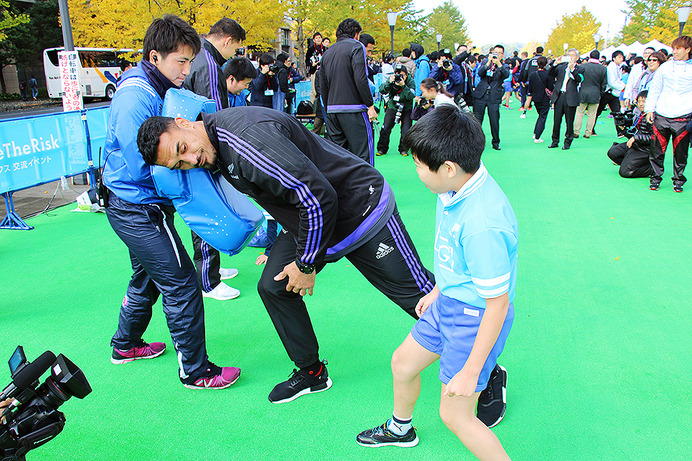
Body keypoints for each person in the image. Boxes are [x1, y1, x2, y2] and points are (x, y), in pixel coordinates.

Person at [136, 106, 435, 406]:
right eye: (179, 164)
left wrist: (305, 263)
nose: (190, 160)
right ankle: (313, 372)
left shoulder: (245, 139)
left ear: (183, 123)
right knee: (274, 285)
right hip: (311, 220)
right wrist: (278, 249)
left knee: (420, 299)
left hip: (360, 210)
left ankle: (481, 367)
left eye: (183, 148)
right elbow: (282, 191)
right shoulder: (213, 147)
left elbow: (317, 196)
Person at [356, 106, 516, 460]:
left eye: (418, 166)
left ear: (447, 168)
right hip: (449, 303)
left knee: (455, 415)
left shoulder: (483, 224)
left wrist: (472, 371)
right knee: (403, 363)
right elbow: (458, 260)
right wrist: (439, 289)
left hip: (473, 318)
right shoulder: (454, 187)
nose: (416, 172)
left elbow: (498, 305)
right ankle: (400, 429)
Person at [102, 15, 240, 389]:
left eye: (189, 61)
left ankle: (125, 344)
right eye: (180, 61)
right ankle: (196, 371)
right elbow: (142, 166)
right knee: (181, 281)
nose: (186, 70)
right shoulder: (136, 96)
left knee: (147, 276)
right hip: (136, 207)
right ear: (154, 57)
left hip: (135, 203)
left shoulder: (152, 86)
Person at [183, 17, 246, 301]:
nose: (234, 55)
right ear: (227, 40)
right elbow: (215, 119)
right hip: (202, 150)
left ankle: (212, 271)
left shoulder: (199, 58)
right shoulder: (208, 64)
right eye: (236, 48)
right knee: (209, 209)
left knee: (210, 208)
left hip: (193, 147)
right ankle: (208, 279)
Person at [319, 18, 378, 164]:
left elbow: (322, 85)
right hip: (354, 109)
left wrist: (328, 108)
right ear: (356, 34)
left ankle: (340, 186)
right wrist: (370, 105)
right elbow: (360, 78)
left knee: (338, 156)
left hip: (332, 110)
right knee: (363, 154)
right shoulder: (357, 46)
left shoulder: (327, 52)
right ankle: (368, 186)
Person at [644, 35, 692, 192]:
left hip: (683, 116)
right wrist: (650, 109)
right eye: (674, 48)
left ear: (688, 50)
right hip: (662, 114)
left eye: (678, 48)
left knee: (680, 153)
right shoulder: (665, 67)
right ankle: (655, 179)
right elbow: (655, 88)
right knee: (656, 150)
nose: (675, 51)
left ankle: (678, 181)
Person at [607, 91, 654, 178]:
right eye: (639, 101)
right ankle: (629, 162)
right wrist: (623, 129)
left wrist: (636, 138)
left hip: (644, 150)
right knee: (612, 152)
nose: (641, 104)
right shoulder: (640, 114)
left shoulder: (653, 117)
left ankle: (651, 168)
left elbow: (655, 138)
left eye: (644, 102)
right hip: (635, 145)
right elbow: (634, 134)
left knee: (625, 172)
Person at [472, 45, 509, 150]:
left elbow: (506, 75)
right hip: (481, 94)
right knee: (477, 120)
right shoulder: (485, 62)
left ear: (502, 55)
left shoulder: (504, 66)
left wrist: (498, 64)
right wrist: (488, 63)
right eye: (494, 52)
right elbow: (480, 73)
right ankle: (475, 143)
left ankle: (496, 142)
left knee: (494, 120)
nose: (496, 55)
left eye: (499, 53)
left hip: (494, 96)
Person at [376, 64, 415, 157]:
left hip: (406, 107)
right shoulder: (391, 79)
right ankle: (382, 149)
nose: (399, 77)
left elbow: (411, 96)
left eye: (401, 75)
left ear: (406, 74)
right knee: (385, 128)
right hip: (393, 106)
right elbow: (381, 90)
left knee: (406, 130)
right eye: (396, 74)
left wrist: (403, 86)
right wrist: (389, 82)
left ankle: (403, 149)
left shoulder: (410, 81)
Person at [547, 48, 581, 150]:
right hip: (559, 96)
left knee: (569, 121)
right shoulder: (561, 67)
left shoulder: (579, 69)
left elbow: (579, 79)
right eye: (569, 55)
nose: (571, 57)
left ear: (577, 58)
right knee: (556, 120)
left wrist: (572, 69)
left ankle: (568, 141)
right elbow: (550, 74)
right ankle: (555, 141)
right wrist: (555, 64)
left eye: (573, 55)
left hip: (571, 98)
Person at [574, 50, 607, 139]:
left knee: (580, 113)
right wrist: (601, 93)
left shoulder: (583, 66)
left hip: (583, 92)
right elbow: (604, 84)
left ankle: (576, 131)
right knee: (592, 114)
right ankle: (588, 132)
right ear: (599, 57)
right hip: (595, 93)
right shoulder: (603, 69)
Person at [523, 56, 553, 143]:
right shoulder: (548, 75)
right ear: (546, 64)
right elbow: (551, 87)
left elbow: (530, 87)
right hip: (544, 98)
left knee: (540, 116)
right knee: (543, 117)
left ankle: (536, 132)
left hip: (535, 98)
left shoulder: (533, 74)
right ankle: (537, 136)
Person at [597, 50, 627, 137]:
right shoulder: (611, 67)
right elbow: (611, 82)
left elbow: (617, 80)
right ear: (614, 58)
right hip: (608, 92)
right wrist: (622, 86)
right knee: (598, 111)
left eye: (622, 57)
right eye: (619, 57)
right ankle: (590, 129)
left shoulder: (618, 67)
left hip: (614, 93)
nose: (621, 59)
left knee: (617, 112)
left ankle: (620, 131)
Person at [306, 32, 326, 103]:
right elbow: (307, 61)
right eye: (316, 38)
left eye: (319, 38)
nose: (318, 39)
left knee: (324, 88)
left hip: (324, 71)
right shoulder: (310, 50)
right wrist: (312, 65)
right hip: (314, 71)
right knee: (313, 90)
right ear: (314, 40)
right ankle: (312, 106)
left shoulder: (325, 49)